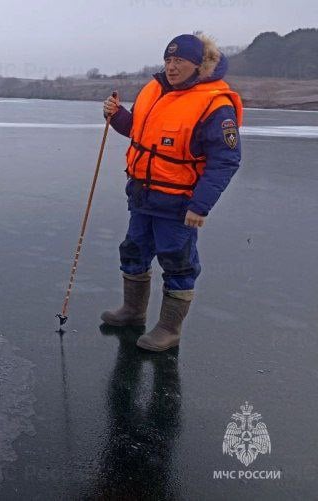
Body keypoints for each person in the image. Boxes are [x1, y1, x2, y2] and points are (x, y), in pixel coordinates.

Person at [101, 33, 243, 351]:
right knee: (133, 251)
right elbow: (137, 130)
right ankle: (133, 312)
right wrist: (116, 115)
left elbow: (226, 159)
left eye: (179, 61)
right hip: (142, 195)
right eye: (168, 60)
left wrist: (200, 206)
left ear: (199, 64)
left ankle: (169, 328)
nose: (171, 67)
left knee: (177, 262)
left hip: (179, 204)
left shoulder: (215, 105)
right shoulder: (155, 90)